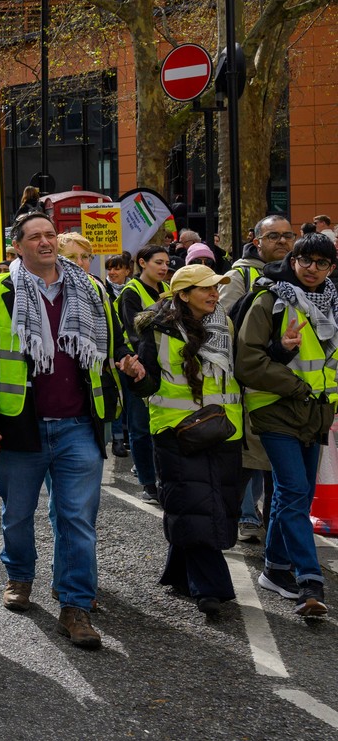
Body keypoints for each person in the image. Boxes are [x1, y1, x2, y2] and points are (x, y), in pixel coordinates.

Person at [0, 212, 132, 650]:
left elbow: (117, 344)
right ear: (17, 247)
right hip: (20, 425)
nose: (45, 242)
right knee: (17, 514)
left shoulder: (92, 289)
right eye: (35, 237)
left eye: (50, 235)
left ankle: (75, 605)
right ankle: (20, 576)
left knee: (77, 519)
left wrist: (129, 363)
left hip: (80, 423)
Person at [128, 264, 243, 617]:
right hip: (177, 431)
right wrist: (137, 376)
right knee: (194, 503)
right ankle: (211, 589)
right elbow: (146, 386)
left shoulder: (224, 323)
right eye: (204, 288)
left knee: (211, 505)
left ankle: (179, 574)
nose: (213, 293)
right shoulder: (156, 330)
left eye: (215, 287)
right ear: (182, 295)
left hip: (225, 429)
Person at [235, 233, 337, 616]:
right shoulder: (268, 299)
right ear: (292, 260)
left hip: (315, 413)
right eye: (305, 260)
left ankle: (275, 569)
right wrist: (295, 385)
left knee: (292, 494)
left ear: (331, 268)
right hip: (276, 409)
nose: (312, 269)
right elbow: (248, 363)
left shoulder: (334, 304)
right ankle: (310, 582)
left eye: (321, 263)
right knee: (294, 492)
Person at [222, 216, 294, 543]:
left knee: (275, 463)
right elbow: (223, 323)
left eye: (287, 236)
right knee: (249, 459)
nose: (281, 242)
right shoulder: (242, 274)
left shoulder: (300, 277)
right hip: (251, 382)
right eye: (274, 236)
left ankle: (269, 524)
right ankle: (244, 517)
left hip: (288, 386)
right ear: (257, 239)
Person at [118, 243, 170, 503]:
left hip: (166, 367)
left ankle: (163, 477)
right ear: (142, 263)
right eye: (158, 262)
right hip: (139, 368)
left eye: (165, 263)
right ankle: (148, 482)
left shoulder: (168, 290)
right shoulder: (131, 291)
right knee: (140, 428)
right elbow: (133, 332)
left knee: (161, 425)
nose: (164, 267)